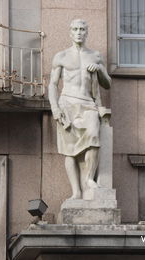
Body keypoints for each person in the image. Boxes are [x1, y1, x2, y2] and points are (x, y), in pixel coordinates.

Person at [48, 19, 111, 200]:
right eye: (75, 29)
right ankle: (76, 191)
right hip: (67, 103)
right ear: (70, 32)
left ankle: (89, 179)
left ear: (87, 32)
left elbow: (107, 84)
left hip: (88, 104)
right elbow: (52, 85)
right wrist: (55, 109)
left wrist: (99, 69)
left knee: (93, 136)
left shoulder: (96, 56)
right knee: (69, 150)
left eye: (82, 29)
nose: (78, 32)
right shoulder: (61, 56)